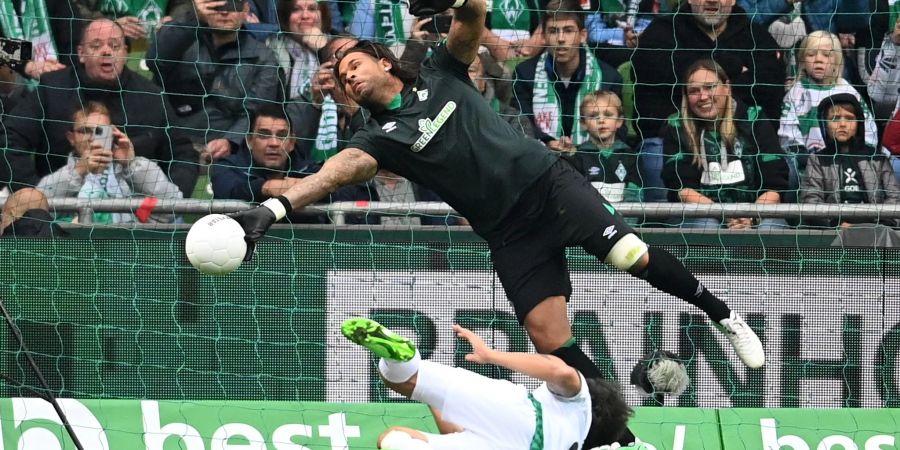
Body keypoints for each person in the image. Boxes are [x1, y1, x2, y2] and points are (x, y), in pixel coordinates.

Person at [229, 0, 765, 444]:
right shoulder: (376, 137)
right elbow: (337, 171)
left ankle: (723, 314)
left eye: (353, 59)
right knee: (547, 335)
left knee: (628, 255)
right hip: (507, 231)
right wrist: (271, 210)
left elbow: (473, 19)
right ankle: (619, 440)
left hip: (548, 184)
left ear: (384, 60)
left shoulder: (440, 71)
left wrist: (457, 4)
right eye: (341, 75)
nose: (347, 69)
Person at [340, 317, 632, 450]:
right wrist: (435, 398)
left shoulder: (578, 404)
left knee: (406, 378)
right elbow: (458, 432)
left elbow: (560, 371)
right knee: (391, 437)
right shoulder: (578, 441)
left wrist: (491, 355)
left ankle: (403, 360)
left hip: (525, 416)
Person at [0, 18, 198, 198]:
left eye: (115, 46)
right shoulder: (52, 89)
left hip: (136, 217)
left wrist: (172, 201)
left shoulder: (151, 96)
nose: (107, 51)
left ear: (125, 52)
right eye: (96, 46)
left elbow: (182, 153)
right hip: (58, 209)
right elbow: (11, 137)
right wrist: (29, 192)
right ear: (81, 54)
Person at [630, 0, 784, 202]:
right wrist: (733, 67)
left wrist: (689, 71)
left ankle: (747, 220)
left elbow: (768, 89)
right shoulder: (660, 32)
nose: (712, 0)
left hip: (744, 140)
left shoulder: (757, 36)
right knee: (654, 163)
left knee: (785, 169)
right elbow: (653, 88)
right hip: (674, 142)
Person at [662, 60, 789, 230]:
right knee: (706, 227)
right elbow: (681, 189)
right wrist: (725, 215)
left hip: (758, 212)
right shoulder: (677, 126)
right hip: (699, 215)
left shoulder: (754, 119)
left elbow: (774, 186)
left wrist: (751, 218)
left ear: (727, 87)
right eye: (694, 91)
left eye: (710, 87)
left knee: (769, 229)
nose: (703, 97)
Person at [148, 0, 283, 161]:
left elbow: (255, 111)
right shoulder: (182, 39)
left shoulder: (263, 58)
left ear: (246, 9)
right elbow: (155, 60)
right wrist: (193, 18)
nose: (224, 12)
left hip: (227, 152)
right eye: (216, 5)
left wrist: (230, 141)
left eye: (233, 5)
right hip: (173, 145)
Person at [37, 102, 182, 224]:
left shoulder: (136, 172)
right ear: (71, 138)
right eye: (84, 131)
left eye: (100, 131)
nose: (92, 137)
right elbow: (36, 213)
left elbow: (171, 211)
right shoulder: (59, 178)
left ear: (112, 133)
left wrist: (131, 165)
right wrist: (78, 171)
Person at [513, 0, 623, 152]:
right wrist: (548, 142)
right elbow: (521, 123)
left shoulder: (609, 77)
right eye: (553, 31)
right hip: (540, 158)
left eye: (568, 30)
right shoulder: (524, 74)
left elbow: (617, 130)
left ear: (583, 35)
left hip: (592, 161)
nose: (561, 39)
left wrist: (583, 149)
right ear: (544, 36)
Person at [779, 31, 877, 193]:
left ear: (837, 60)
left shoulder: (848, 92)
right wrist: (807, 157)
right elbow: (787, 135)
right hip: (810, 164)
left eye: (826, 55)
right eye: (811, 54)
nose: (818, 59)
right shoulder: (796, 93)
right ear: (802, 59)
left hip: (850, 159)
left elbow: (868, 131)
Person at [800, 94, 900, 228]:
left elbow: (894, 197)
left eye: (849, 118)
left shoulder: (876, 158)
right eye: (835, 118)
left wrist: (881, 224)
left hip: (877, 229)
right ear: (824, 124)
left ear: (859, 123)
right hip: (833, 232)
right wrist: (835, 224)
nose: (842, 124)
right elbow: (811, 200)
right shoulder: (818, 160)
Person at [210, 104, 321, 202]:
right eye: (264, 135)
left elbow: (336, 192)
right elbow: (228, 191)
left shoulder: (308, 169)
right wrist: (267, 187)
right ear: (249, 141)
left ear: (292, 143)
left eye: (282, 136)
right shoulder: (227, 167)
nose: (274, 143)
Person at [565, 91, 642, 213]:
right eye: (593, 116)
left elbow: (635, 194)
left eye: (608, 114)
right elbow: (574, 196)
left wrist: (627, 225)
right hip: (590, 221)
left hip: (623, 222)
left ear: (619, 121)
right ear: (583, 123)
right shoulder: (578, 156)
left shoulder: (629, 155)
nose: (601, 120)